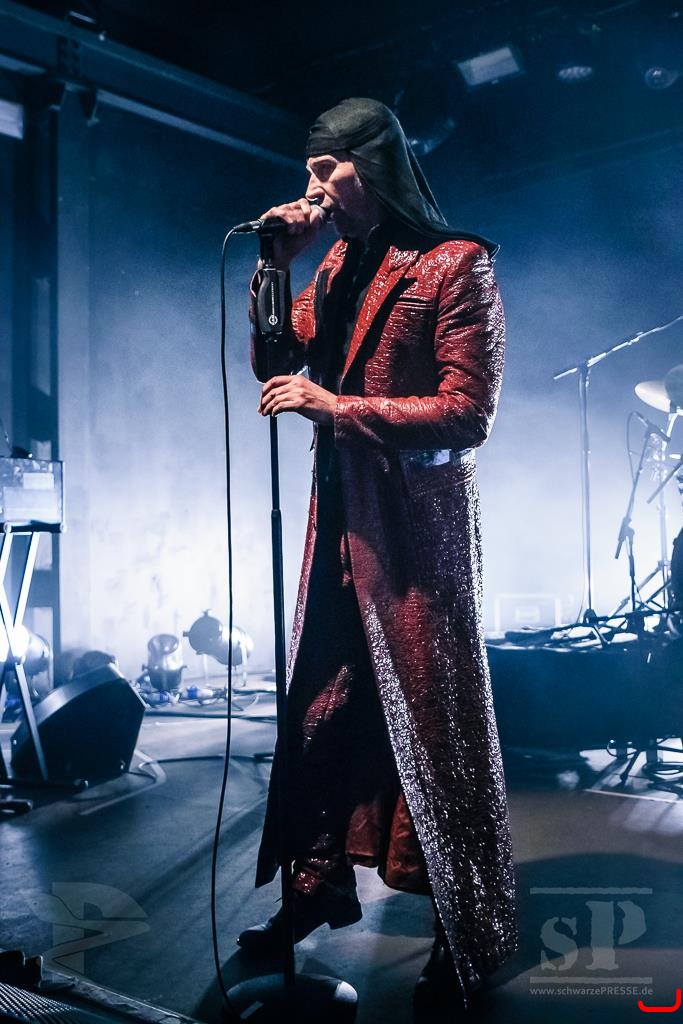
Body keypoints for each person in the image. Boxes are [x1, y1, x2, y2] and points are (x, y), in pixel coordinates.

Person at [239, 97, 517, 1009]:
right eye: (309, 168)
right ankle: (314, 888)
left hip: (412, 534)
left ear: (375, 163)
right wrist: (273, 266)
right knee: (319, 711)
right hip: (338, 522)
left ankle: (465, 930)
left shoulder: (456, 263)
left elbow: (467, 412)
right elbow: (275, 360)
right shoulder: (332, 265)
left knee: (435, 730)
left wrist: (337, 408)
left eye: (327, 168)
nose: (312, 185)